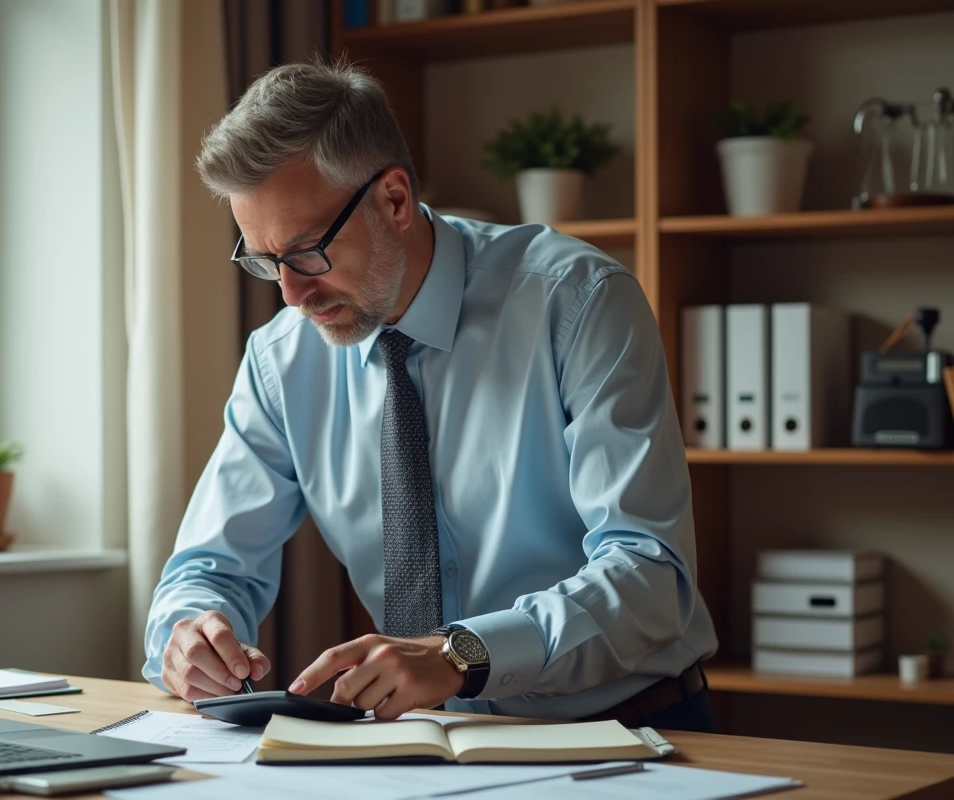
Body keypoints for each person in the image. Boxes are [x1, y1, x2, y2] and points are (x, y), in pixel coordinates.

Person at [143, 58, 718, 731]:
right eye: (264, 261)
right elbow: (208, 568)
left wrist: (461, 653)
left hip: (624, 733)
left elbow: (651, 577)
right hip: (428, 741)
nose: (291, 294)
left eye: (305, 252)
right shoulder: (281, 362)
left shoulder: (577, 302)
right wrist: (186, 635)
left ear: (393, 198)